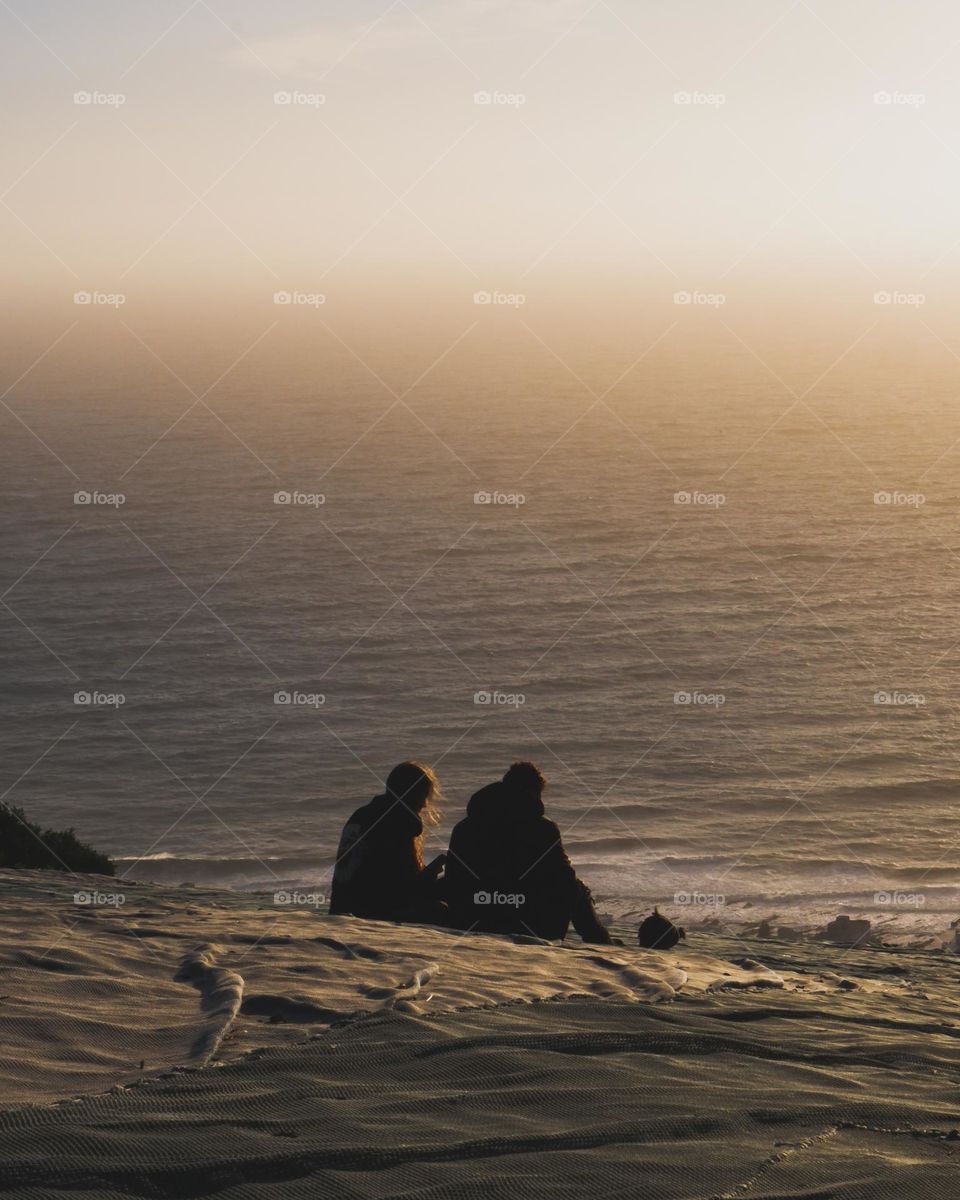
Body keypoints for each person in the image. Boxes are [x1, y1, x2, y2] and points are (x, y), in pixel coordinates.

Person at [445, 761, 612, 943]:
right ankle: (600, 941)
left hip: (470, 916)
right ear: (533, 793)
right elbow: (564, 876)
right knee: (576, 887)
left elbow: (453, 876)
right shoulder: (541, 828)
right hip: (531, 923)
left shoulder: (464, 827)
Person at [328, 761, 446, 923]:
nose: (425, 805)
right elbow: (399, 891)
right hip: (371, 913)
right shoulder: (396, 823)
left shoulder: (363, 815)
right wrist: (432, 872)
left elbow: (384, 876)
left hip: (343, 907)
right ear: (412, 795)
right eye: (423, 796)